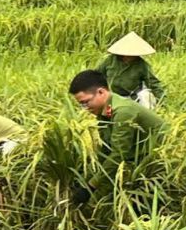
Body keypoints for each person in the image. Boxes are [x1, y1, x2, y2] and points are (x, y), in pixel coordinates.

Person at [67, 69, 165, 202]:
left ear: (101, 92)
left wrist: (91, 186)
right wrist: (85, 180)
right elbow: (106, 150)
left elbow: (118, 154)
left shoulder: (123, 111)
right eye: (81, 104)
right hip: (142, 157)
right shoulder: (104, 111)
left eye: (86, 102)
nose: (85, 108)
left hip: (163, 159)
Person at [100, 32, 165, 108]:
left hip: (132, 98)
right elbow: (96, 75)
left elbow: (153, 84)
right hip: (111, 96)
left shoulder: (142, 65)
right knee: (107, 113)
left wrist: (162, 101)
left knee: (146, 96)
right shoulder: (110, 60)